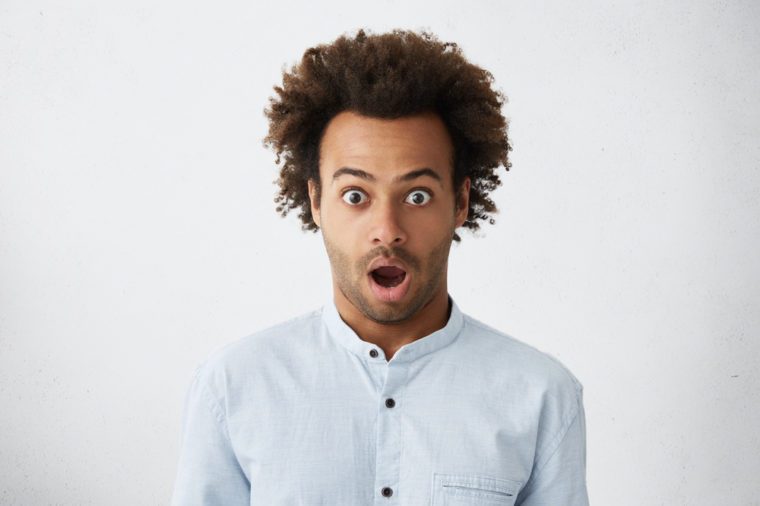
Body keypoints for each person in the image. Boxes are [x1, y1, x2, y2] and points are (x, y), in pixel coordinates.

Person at [170, 28, 589, 505]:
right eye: (355, 196)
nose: (387, 229)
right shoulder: (232, 387)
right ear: (316, 201)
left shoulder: (540, 395)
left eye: (417, 195)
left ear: (460, 201)